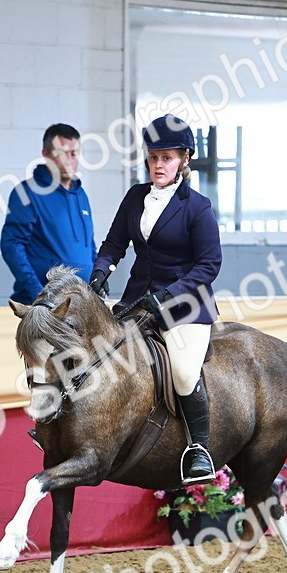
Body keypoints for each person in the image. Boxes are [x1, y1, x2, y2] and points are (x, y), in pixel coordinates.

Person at [90, 114, 221, 485]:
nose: (158, 165)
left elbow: (209, 264)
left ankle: (199, 449)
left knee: (183, 372)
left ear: (184, 160)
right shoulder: (135, 197)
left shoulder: (197, 207)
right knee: (96, 352)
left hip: (186, 307)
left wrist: (168, 294)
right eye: (153, 158)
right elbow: (114, 243)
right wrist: (99, 273)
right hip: (138, 302)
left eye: (167, 158)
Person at [0, 123, 96, 304]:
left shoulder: (81, 194)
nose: (69, 160)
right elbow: (12, 245)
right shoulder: (26, 193)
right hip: (44, 306)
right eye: (61, 154)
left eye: (73, 154)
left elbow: (89, 247)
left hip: (80, 305)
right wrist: (39, 294)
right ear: (46, 154)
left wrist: (98, 278)